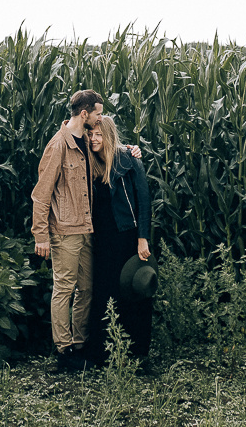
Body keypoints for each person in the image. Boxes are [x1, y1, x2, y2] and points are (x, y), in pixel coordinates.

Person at [31, 89, 104, 371]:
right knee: (64, 289)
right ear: (84, 114)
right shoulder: (58, 145)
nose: (100, 119)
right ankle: (64, 352)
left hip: (86, 228)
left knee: (86, 289)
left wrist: (129, 150)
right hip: (64, 231)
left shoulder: (85, 141)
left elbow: (104, 153)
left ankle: (80, 345)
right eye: (97, 113)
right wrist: (41, 236)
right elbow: (41, 194)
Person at [82, 114, 153, 366]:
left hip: (127, 236)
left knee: (132, 292)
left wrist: (142, 238)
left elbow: (143, 201)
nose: (93, 139)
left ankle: (137, 352)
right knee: (105, 292)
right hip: (102, 239)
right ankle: (104, 353)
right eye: (90, 134)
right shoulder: (91, 163)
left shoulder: (128, 160)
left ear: (109, 136)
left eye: (99, 135)